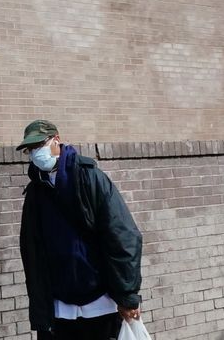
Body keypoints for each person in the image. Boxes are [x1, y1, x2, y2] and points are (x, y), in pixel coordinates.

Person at [16, 118, 144, 338]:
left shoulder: (89, 177)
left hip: (99, 303)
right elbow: (32, 251)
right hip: (57, 308)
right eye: (30, 149)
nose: (35, 153)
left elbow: (122, 235)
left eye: (39, 145)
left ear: (56, 140)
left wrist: (127, 295)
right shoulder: (36, 192)